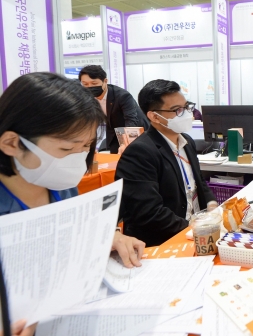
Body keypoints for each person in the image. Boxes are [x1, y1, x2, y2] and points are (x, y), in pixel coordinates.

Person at [0, 73, 146, 336]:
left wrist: (107, 236)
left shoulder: (58, 184)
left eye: (87, 146)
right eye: (66, 149)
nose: (77, 160)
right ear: (12, 143)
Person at [115, 79, 216, 247]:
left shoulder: (187, 142)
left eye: (186, 107)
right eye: (177, 110)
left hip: (195, 234)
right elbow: (149, 213)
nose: (185, 114)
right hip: (163, 241)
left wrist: (212, 206)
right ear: (154, 116)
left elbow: (199, 182)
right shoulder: (140, 152)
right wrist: (194, 227)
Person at [79, 65, 149, 154]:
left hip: (135, 130)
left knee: (134, 155)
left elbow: (131, 120)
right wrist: (89, 145)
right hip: (115, 131)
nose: (89, 87)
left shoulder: (122, 96)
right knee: (114, 157)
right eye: (85, 84)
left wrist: (126, 143)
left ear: (105, 81)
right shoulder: (86, 98)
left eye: (94, 83)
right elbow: (89, 123)